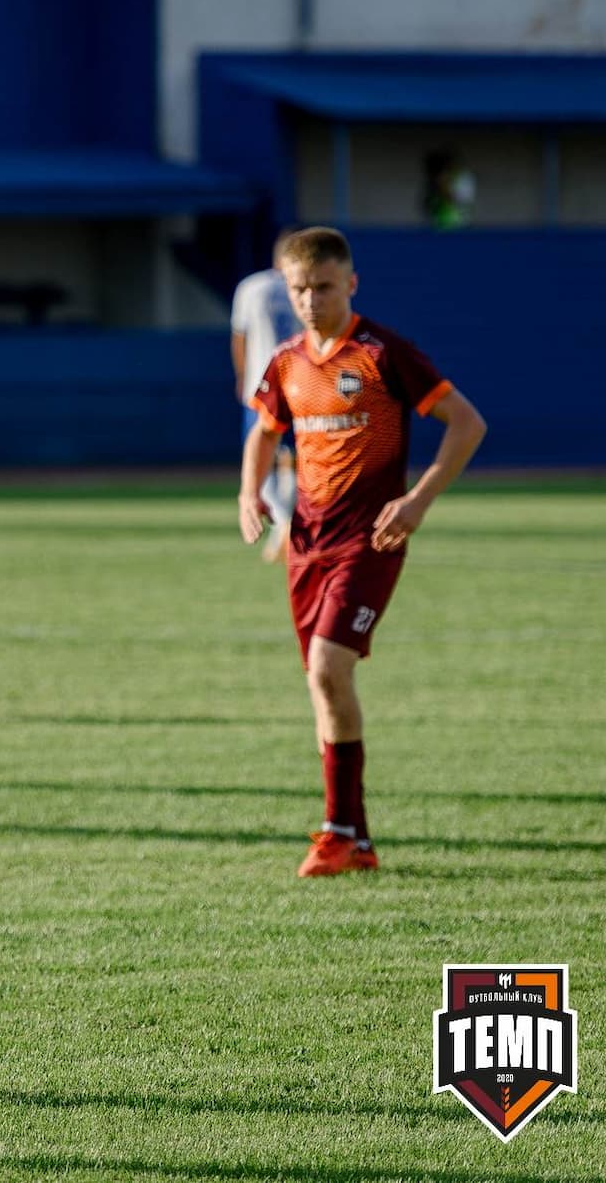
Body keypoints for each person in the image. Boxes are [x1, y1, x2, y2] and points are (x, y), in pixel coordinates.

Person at [239, 226, 486, 877]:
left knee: (327, 668)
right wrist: (248, 496)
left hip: (370, 539)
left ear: (351, 284)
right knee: (323, 686)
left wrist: (418, 501)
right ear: (285, 293)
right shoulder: (287, 361)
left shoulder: (382, 353)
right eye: (300, 290)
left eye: (324, 287)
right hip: (306, 543)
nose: (312, 300)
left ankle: (337, 831)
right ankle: (357, 840)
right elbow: (264, 434)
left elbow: (467, 422)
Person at [230, 232, 301, 563]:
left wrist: (243, 376)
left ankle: (282, 522)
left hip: (261, 386)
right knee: (295, 460)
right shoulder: (309, 287)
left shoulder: (251, 287)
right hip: (303, 385)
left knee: (263, 454)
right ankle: (289, 524)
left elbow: (239, 337)